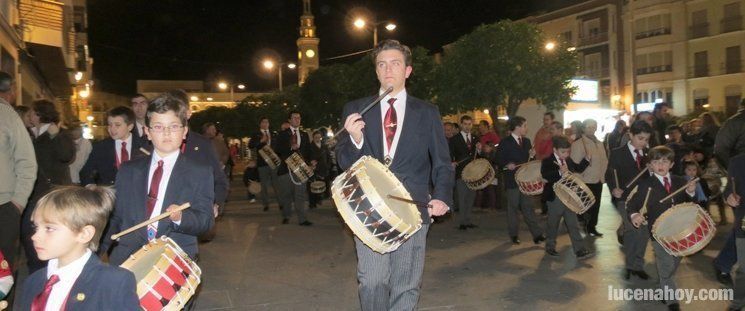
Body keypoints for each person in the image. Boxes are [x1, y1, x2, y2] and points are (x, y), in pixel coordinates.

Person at [337, 40, 453, 311]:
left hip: (413, 210)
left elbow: (443, 163)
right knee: (372, 281)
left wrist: (442, 196)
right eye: (381, 64)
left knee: (406, 285)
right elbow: (343, 162)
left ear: (408, 71)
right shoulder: (356, 109)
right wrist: (354, 139)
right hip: (368, 211)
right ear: (376, 72)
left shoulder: (427, 112)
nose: (388, 69)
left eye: (395, 63)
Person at [100, 93, 215, 266]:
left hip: (173, 260)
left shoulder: (199, 172)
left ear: (184, 132)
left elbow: (205, 221)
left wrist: (181, 217)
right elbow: (115, 218)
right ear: (147, 132)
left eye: (174, 126)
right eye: (159, 127)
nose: (167, 133)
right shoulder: (128, 170)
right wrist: (94, 255)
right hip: (127, 258)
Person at [17, 185, 140, 310]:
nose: (35, 236)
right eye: (36, 227)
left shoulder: (112, 282)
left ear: (84, 234)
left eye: (49, 229)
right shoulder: (33, 282)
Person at [628, 146, 696, 311]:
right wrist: (634, 215)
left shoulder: (681, 181)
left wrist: (691, 192)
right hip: (658, 232)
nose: (660, 165)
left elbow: (690, 201)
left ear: (671, 164)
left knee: (674, 261)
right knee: (665, 264)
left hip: (679, 231)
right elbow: (633, 204)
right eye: (656, 161)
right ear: (650, 165)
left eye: (664, 161)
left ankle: (664, 284)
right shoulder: (646, 185)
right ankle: (671, 299)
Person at [605, 120, 653, 280]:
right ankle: (630, 265)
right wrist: (614, 188)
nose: (644, 142)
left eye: (646, 139)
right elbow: (610, 174)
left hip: (644, 200)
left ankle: (638, 265)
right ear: (630, 135)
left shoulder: (649, 154)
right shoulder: (618, 152)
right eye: (640, 138)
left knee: (644, 233)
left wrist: (654, 171)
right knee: (632, 231)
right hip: (624, 199)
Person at [0, 71, 37, 274]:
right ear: (12, 91)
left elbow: (27, 162)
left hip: (4, 207)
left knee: (2, 274)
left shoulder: (8, 116)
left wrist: (17, 203)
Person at [496, 116, 546, 245]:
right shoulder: (505, 142)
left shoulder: (527, 141)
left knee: (528, 207)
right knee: (513, 209)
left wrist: (531, 154)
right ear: (517, 127)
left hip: (525, 181)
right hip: (512, 181)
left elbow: (528, 161)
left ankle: (537, 234)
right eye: (524, 126)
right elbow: (498, 160)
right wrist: (507, 165)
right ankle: (513, 235)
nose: (526, 128)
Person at [541, 136, 593, 259]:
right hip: (555, 197)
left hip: (568, 197)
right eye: (563, 152)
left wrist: (586, 160)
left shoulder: (568, 160)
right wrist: (559, 172)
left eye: (568, 152)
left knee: (573, 223)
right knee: (553, 223)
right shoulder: (547, 161)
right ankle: (550, 246)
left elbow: (577, 168)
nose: (566, 154)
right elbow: (546, 175)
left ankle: (579, 249)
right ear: (555, 150)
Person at [80, 106, 146, 186]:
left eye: (117, 125)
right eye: (110, 125)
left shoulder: (144, 146)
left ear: (130, 127)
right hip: (109, 195)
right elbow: (85, 172)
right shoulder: (101, 147)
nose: (112, 129)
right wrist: (90, 186)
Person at [570, 119, 608, 236]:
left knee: (596, 205)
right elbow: (575, 165)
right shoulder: (578, 144)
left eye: (594, 126)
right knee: (586, 206)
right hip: (585, 180)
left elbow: (604, 161)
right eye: (589, 127)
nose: (592, 129)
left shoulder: (599, 143)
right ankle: (585, 225)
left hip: (598, 179)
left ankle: (592, 227)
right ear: (583, 128)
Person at [275, 111, 314, 226]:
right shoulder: (282, 134)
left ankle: (302, 219)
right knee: (286, 194)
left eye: (299, 118)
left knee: (300, 195)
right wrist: (290, 147)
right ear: (289, 120)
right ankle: (286, 215)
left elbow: (308, 150)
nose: (297, 119)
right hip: (286, 169)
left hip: (300, 168)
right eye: (295, 118)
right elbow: (277, 149)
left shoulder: (304, 134)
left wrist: (312, 161)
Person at [30, 99, 75, 186]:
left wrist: (55, 136)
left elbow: (66, 156)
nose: (29, 115)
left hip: (54, 187)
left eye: (31, 112)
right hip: (36, 187)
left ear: (38, 114)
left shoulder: (61, 133)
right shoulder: (31, 134)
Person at [450, 115, 478, 230]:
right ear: (461, 124)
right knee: (462, 197)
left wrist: (480, 150)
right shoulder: (454, 139)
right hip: (461, 172)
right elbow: (450, 154)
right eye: (465, 124)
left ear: (472, 124)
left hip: (474, 173)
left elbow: (480, 156)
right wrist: (452, 162)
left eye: (469, 124)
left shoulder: (476, 138)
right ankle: (462, 222)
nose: (467, 126)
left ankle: (468, 220)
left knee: (471, 197)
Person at [724, 154, 745, 310]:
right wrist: (729, 196)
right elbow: (729, 190)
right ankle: (738, 302)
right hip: (744, 222)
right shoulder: (737, 161)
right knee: (743, 269)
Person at [249, 117, 280, 212]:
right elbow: (250, 145)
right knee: (264, 185)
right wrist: (260, 141)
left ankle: (281, 202)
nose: (265, 123)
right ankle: (266, 203)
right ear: (260, 124)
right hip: (262, 163)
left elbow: (278, 146)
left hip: (273, 162)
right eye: (263, 122)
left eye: (267, 122)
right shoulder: (256, 134)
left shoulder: (273, 134)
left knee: (276, 184)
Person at [308, 130, 330, 209]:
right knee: (313, 186)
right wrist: (310, 163)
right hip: (314, 169)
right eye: (315, 137)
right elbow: (306, 157)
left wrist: (328, 166)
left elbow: (328, 157)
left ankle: (319, 199)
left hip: (324, 169)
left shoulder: (324, 146)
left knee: (323, 186)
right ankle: (312, 203)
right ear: (313, 138)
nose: (317, 138)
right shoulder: (309, 146)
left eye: (319, 137)